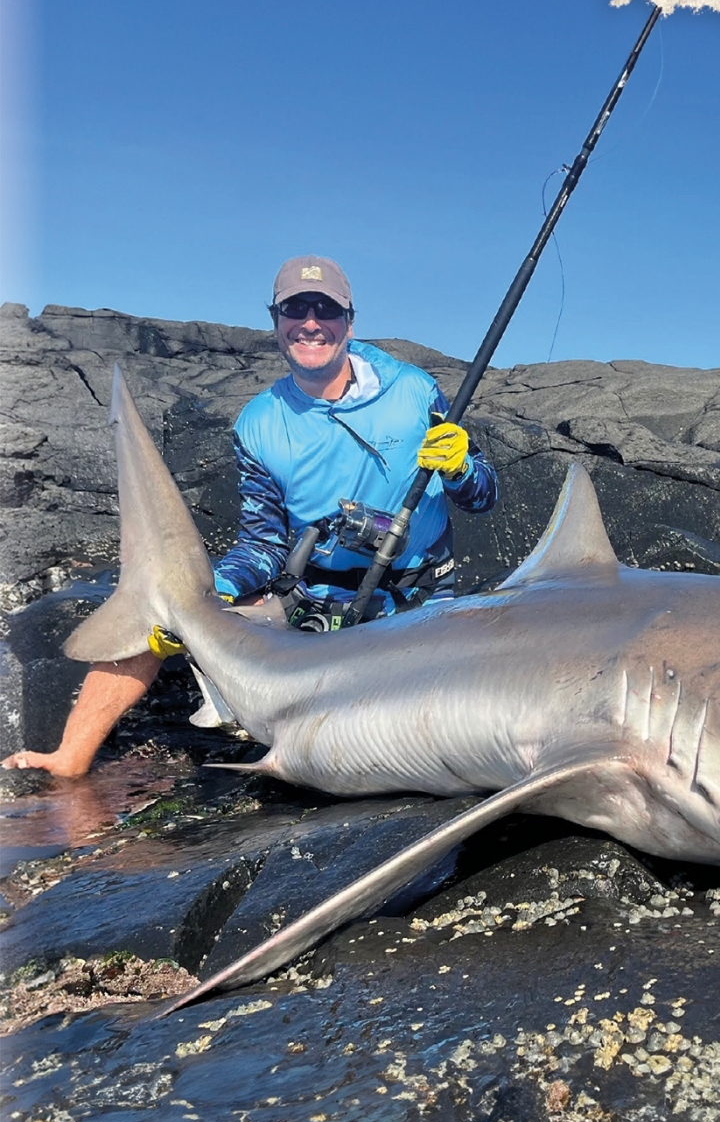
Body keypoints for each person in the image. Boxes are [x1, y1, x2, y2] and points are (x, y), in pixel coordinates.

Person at [3, 256, 497, 777]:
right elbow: (264, 544)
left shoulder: (415, 391)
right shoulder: (259, 424)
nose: (311, 321)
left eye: (325, 307)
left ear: (349, 320)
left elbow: (482, 496)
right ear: (276, 322)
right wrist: (210, 589)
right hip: (315, 601)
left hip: (420, 599)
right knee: (167, 604)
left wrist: (463, 467)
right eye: (295, 308)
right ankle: (69, 758)